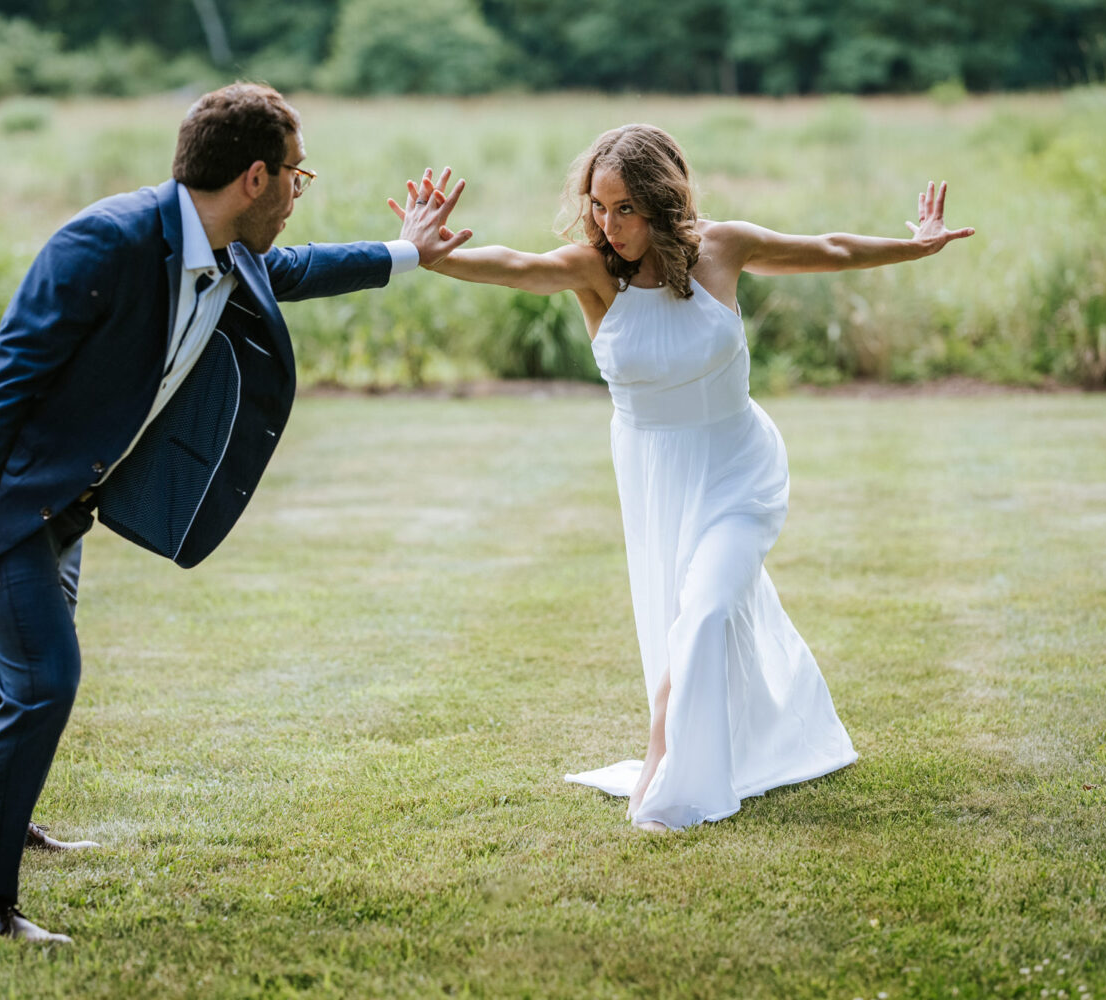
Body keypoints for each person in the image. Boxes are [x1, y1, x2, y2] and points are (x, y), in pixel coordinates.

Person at [0, 83, 470, 942]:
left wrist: (406, 252)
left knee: (8, 675)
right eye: (296, 177)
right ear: (253, 177)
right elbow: (5, 376)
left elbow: (293, 272)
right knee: (43, 679)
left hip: (62, 501)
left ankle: (5, 826)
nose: (295, 195)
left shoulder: (219, 248)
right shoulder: (106, 240)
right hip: (1, 501)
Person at [390, 126, 974, 831]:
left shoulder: (721, 248)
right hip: (654, 474)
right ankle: (705, 745)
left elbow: (831, 249)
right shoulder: (593, 271)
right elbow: (513, 265)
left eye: (625, 209)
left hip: (738, 467)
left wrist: (915, 244)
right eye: (599, 207)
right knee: (686, 618)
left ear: (662, 202)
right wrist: (420, 254)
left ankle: (657, 761)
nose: (609, 224)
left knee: (701, 612)